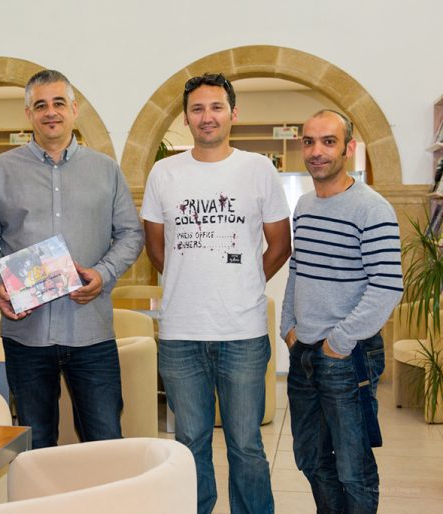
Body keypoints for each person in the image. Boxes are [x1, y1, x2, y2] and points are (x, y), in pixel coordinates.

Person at [141, 73, 291, 514]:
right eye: (197, 109)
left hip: (242, 332)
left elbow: (280, 244)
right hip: (180, 334)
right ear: (186, 118)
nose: (207, 117)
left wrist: (245, 279)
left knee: (246, 444)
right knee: (190, 442)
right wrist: (190, 279)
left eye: (216, 107)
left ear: (233, 113)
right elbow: (155, 245)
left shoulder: (258, 169)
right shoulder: (163, 172)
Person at [0, 69, 143, 449]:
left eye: (58, 103)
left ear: (74, 109)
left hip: (91, 332)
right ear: (29, 114)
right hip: (26, 334)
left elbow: (131, 233)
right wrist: (1, 283)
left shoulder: (106, 170)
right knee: (36, 444)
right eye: (40, 105)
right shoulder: (1, 170)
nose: (51, 112)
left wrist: (104, 273)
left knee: (106, 441)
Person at [281, 110, 403, 513]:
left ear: (349, 148)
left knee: (354, 470)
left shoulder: (372, 208)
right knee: (312, 460)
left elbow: (387, 286)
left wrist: (338, 341)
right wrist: (289, 326)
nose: (317, 151)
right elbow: (298, 269)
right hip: (305, 354)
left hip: (347, 358)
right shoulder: (304, 206)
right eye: (309, 141)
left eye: (328, 141)